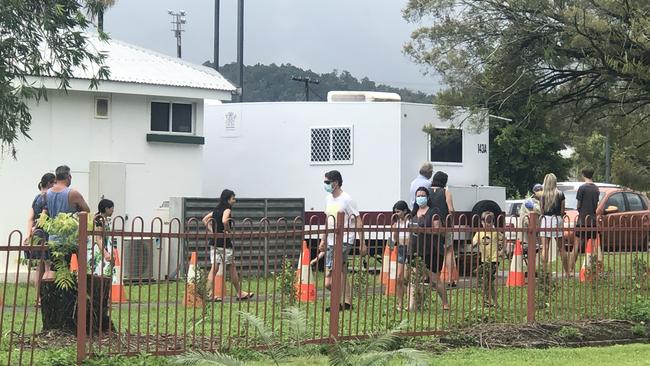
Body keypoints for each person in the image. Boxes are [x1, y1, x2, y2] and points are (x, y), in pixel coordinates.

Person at [317, 170, 366, 312]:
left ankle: (336, 302)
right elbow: (328, 220)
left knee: (330, 278)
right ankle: (347, 302)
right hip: (331, 240)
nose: (325, 185)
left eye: (327, 182)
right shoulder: (328, 199)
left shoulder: (347, 199)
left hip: (345, 240)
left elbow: (358, 219)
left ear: (336, 183)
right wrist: (323, 239)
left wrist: (361, 242)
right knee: (342, 271)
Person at [202, 189, 253, 301]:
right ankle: (239, 292)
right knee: (232, 267)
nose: (234, 200)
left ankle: (207, 293)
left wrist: (212, 231)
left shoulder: (216, 210)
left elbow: (205, 219)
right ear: (228, 199)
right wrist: (228, 230)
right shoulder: (227, 209)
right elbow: (225, 220)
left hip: (214, 242)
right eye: (233, 198)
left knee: (214, 268)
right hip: (224, 243)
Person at [411, 186, 450, 310]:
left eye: (422, 195)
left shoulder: (434, 212)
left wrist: (422, 230)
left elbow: (437, 230)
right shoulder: (414, 213)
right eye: (418, 196)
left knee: (434, 279)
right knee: (416, 277)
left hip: (432, 250)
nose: (420, 198)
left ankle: (445, 302)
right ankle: (417, 303)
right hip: (416, 249)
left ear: (427, 198)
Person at [24, 173, 56, 303]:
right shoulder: (48, 197)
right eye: (54, 183)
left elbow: (30, 218)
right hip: (45, 233)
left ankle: (38, 298)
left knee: (39, 267)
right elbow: (43, 217)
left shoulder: (36, 198)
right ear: (49, 183)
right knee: (48, 266)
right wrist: (38, 227)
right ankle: (47, 298)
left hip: (36, 235)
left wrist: (29, 234)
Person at [430, 171, 458, 287]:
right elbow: (451, 209)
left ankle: (429, 278)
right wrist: (452, 220)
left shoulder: (426, 192)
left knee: (431, 251)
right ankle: (450, 279)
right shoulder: (446, 192)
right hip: (444, 225)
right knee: (448, 250)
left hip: (430, 226)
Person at [570, 168, 600, 274]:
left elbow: (578, 205)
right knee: (592, 247)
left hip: (582, 220)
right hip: (592, 220)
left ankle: (570, 269)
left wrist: (581, 211)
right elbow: (595, 205)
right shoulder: (596, 189)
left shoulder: (582, 188)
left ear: (583, 175)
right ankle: (593, 269)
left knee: (577, 246)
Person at [472, 212, 505, 308]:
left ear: (493, 222)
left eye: (490, 222)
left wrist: (502, 250)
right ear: (482, 222)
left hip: (494, 260)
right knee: (488, 282)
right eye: (486, 221)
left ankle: (487, 301)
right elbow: (473, 243)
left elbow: (503, 239)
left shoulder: (495, 233)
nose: (488, 224)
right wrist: (474, 244)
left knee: (486, 281)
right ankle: (494, 302)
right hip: (484, 260)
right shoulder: (479, 233)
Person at [539, 173, 568, 274]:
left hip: (546, 220)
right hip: (557, 219)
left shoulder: (542, 195)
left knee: (545, 247)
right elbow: (562, 210)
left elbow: (541, 210)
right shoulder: (560, 194)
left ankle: (544, 272)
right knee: (561, 248)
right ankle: (567, 272)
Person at [391, 200, 412, 311]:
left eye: (398, 212)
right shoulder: (396, 222)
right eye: (395, 212)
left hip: (409, 249)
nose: (396, 214)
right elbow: (394, 239)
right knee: (399, 277)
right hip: (400, 248)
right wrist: (395, 231)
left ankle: (409, 302)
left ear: (404, 211)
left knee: (406, 277)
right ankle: (400, 303)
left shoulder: (410, 220)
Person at [92, 199, 115, 276]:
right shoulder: (99, 220)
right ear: (106, 209)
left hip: (106, 248)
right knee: (101, 273)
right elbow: (98, 239)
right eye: (112, 208)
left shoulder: (106, 220)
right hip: (101, 249)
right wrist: (105, 253)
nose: (113, 210)